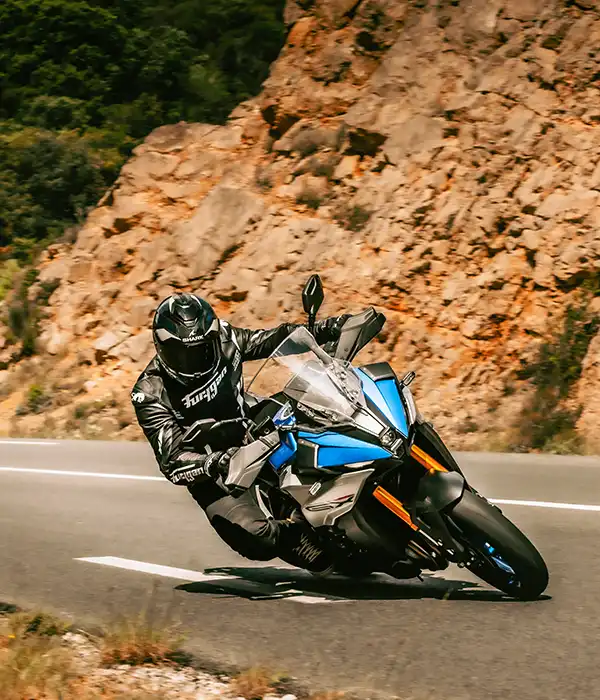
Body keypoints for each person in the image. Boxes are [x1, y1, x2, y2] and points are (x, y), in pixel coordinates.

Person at [131, 292, 351, 573]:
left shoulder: (227, 339)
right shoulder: (149, 393)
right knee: (256, 539)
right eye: (182, 354)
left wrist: (325, 329)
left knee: (321, 412)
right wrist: (215, 462)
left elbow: (273, 338)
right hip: (213, 470)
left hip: (251, 426)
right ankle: (294, 532)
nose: (193, 360)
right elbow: (172, 461)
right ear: (161, 348)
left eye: (202, 349)